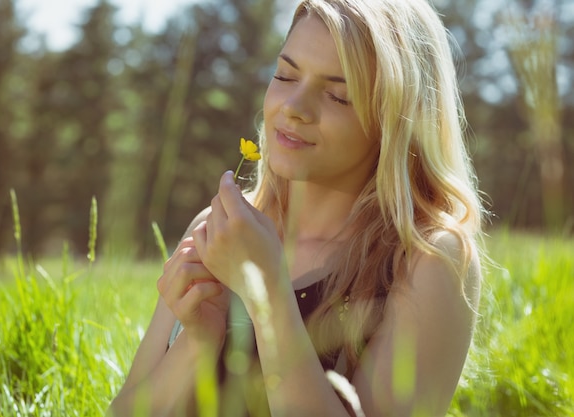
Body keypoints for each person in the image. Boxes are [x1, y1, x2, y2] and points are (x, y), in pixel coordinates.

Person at [109, 0, 486, 415]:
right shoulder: (220, 230)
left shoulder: (427, 260)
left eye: (338, 96)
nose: (293, 107)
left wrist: (268, 294)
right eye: (285, 75)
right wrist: (199, 338)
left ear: (396, 119)